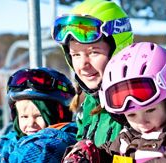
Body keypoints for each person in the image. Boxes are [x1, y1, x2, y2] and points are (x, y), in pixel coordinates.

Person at [61, 42, 166, 163]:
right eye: (131, 115)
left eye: (150, 110)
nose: (141, 121)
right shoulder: (128, 137)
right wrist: (86, 154)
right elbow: (107, 154)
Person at [51, 0, 134, 146]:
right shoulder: (89, 105)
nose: (83, 65)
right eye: (76, 55)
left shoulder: (137, 106)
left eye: (94, 52)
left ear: (119, 51)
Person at [0, 67, 78, 163]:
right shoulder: (13, 140)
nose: (30, 123)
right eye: (24, 117)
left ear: (58, 115)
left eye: (38, 116)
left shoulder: (54, 143)